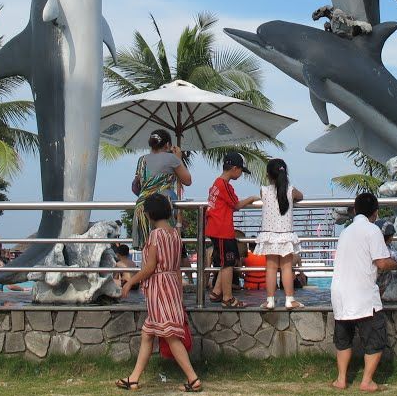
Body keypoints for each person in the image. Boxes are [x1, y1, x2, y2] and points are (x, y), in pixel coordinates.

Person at [115, 193, 202, 393]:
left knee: (170, 334)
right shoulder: (174, 234)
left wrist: (130, 282)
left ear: (150, 214)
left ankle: (193, 378)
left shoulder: (155, 235)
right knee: (148, 333)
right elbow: (178, 266)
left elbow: (150, 267)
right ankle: (134, 378)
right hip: (171, 284)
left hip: (159, 286)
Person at [330, 192, 397, 392]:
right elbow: (381, 262)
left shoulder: (345, 232)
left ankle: (341, 379)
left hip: (339, 292)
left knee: (343, 338)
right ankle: (367, 381)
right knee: (375, 337)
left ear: (355, 209)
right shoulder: (372, 231)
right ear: (375, 212)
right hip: (362, 293)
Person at [205, 151, 258, 308]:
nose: (241, 174)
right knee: (227, 264)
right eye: (241, 170)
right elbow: (236, 205)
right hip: (222, 230)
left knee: (227, 261)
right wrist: (252, 198)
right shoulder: (224, 185)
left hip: (218, 229)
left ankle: (216, 292)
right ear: (234, 168)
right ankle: (228, 298)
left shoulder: (216, 183)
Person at [254, 158, 305, 309]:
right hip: (285, 235)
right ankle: (290, 299)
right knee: (286, 268)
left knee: (270, 268)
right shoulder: (291, 190)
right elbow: (301, 196)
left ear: (268, 174)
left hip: (269, 235)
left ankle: (269, 301)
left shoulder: (264, 190)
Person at [130, 129, 192, 250]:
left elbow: (135, 186)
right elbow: (187, 180)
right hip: (161, 208)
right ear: (168, 145)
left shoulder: (142, 160)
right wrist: (178, 158)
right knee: (165, 249)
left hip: (143, 208)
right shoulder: (171, 158)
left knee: (148, 250)